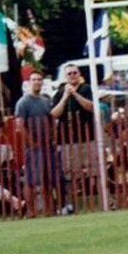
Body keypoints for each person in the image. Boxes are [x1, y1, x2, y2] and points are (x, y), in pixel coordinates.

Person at [50, 63, 97, 214]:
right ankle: (70, 203)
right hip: (68, 139)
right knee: (70, 173)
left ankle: (105, 199)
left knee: (94, 169)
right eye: (69, 74)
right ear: (66, 76)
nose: (72, 76)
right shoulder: (60, 92)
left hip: (87, 137)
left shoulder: (87, 89)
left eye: (74, 73)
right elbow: (54, 114)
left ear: (79, 74)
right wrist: (65, 97)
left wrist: (75, 95)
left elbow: (91, 107)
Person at [14, 71, 59, 215]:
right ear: (29, 82)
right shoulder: (23, 102)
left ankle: (48, 209)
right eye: (34, 80)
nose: (37, 82)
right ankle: (31, 210)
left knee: (48, 179)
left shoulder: (46, 100)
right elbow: (19, 124)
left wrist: (52, 135)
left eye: (40, 80)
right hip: (33, 147)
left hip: (47, 145)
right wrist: (31, 142)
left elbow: (51, 119)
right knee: (31, 180)